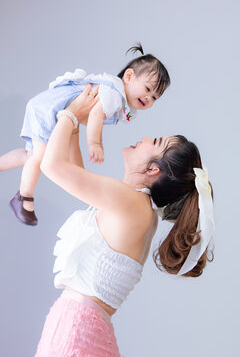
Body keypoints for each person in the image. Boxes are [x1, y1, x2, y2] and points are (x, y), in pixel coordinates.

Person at [34, 85, 214, 356]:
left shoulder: (130, 203)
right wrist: (74, 127)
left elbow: (52, 166)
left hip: (74, 333)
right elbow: (77, 175)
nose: (142, 137)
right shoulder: (139, 208)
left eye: (153, 142)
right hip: (84, 330)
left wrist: (70, 114)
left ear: (153, 169)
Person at [0, 43, 170, 226]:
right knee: (40, 157)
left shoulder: (116, 97)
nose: (148, 98)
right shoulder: (113, 93)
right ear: (129, 76)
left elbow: (89, 118)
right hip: (48, 110)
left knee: (30, 156)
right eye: (147, 89)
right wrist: (94, 143)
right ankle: (24, 198)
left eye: (154, 98)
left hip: (49, 107)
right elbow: (95, 115)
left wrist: (93, 141)